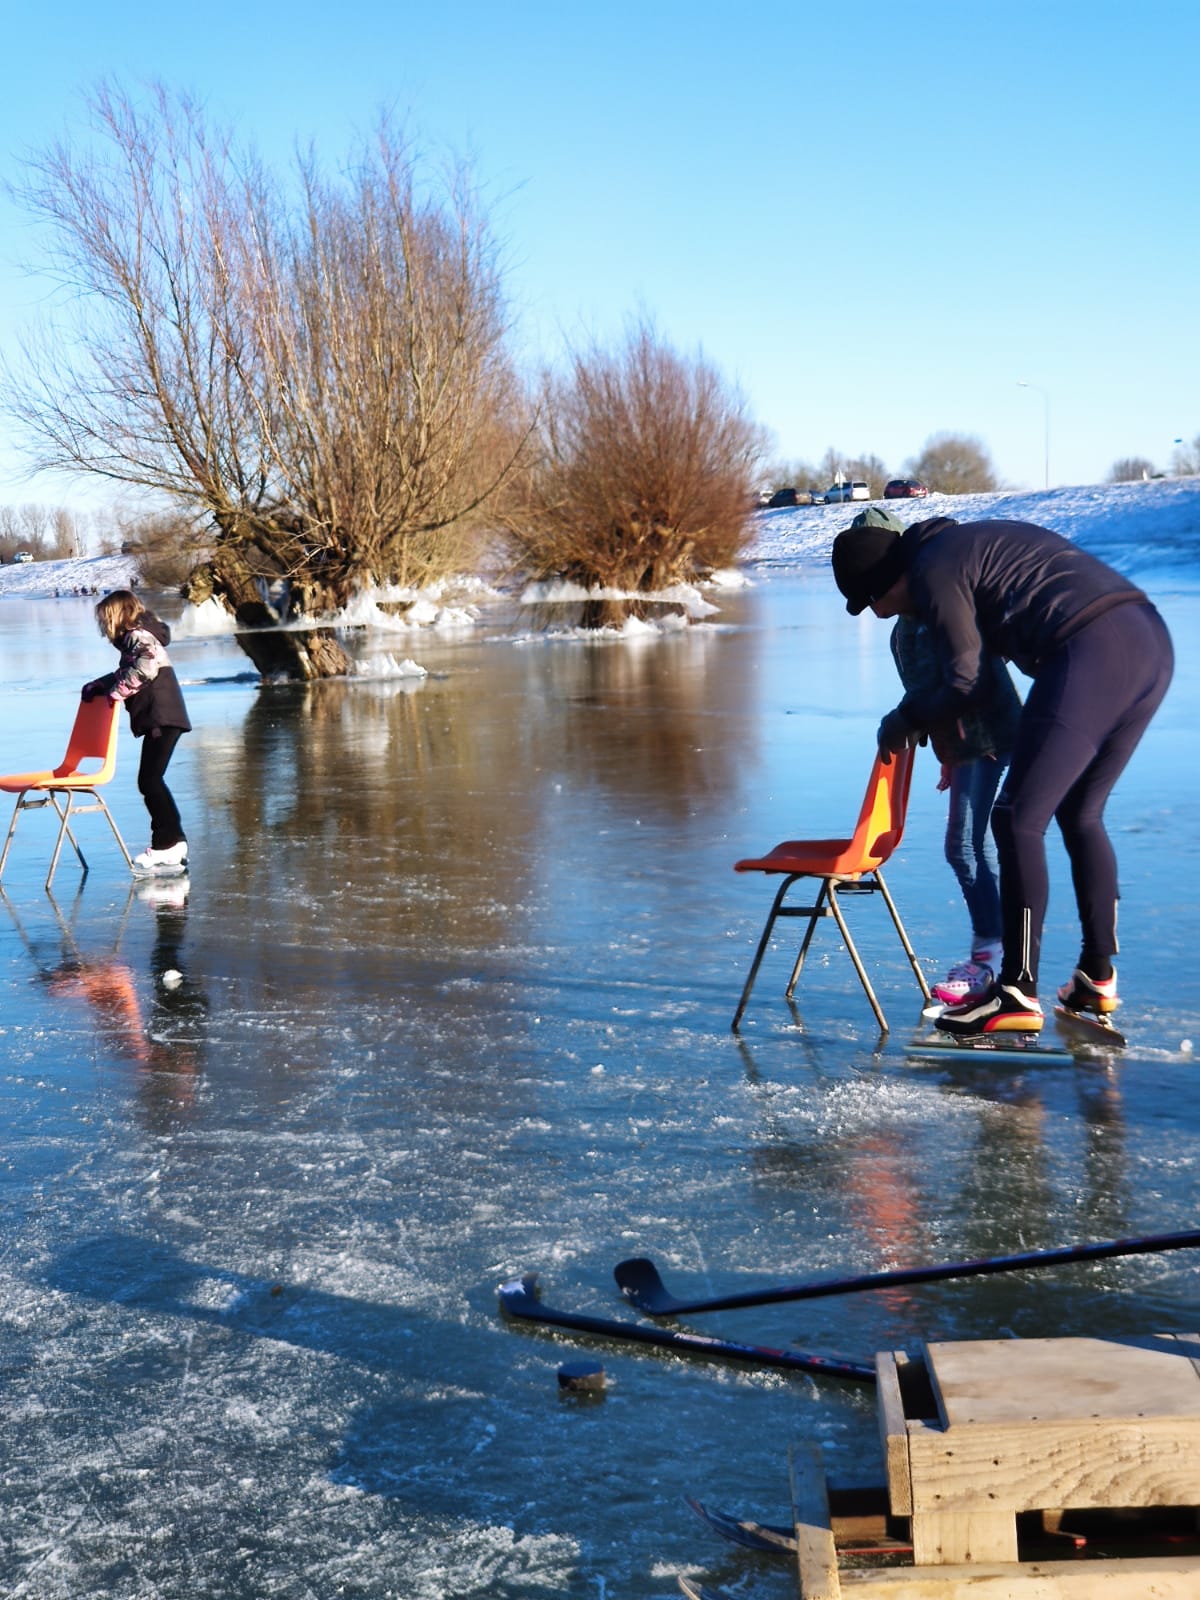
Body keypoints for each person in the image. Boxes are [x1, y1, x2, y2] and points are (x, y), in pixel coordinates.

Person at [831, 514, 1173, 1037]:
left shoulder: (933, 569)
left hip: (1089, 645)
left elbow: (966, 682)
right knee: (1081, 813)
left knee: (1016, 819)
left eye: (870, 601)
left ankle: (1016, 990)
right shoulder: (957, 549)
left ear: (885, 581)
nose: (876, 614)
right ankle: (1096, 976)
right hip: (1148, 640)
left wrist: (906, 718)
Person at [843, 509, 1022, 1004]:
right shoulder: (904, 627)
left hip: (989, 736)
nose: (872, 604)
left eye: (872, 592)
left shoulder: (938, 606)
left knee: (963, 845)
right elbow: (927, 695)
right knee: (973, 843)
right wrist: (944, 749)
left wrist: (944, 735)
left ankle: (991, 958)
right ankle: (998, 952)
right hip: (966, 744)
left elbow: (966, 681)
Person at [83, 589, 192, 872]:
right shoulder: (139, 636)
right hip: (163, 715)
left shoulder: (138, 636)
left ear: (118, 615)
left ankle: (168, 844)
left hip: (162, 715)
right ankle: (172, 843)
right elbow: (128, 670)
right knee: (151, 780)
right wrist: (101, 684)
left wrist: (116, 692)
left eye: (105, 619)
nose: (104, 626)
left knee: (150, 780)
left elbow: (146, 668)